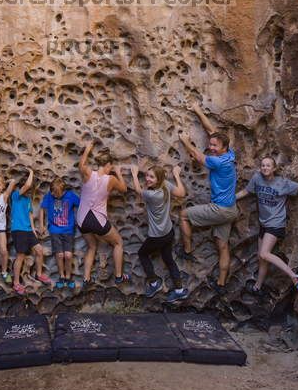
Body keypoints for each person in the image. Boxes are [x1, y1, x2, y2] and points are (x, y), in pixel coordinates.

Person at [236, 156, 298, 292]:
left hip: (276, 224)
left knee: (264, 253)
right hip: (263, 224)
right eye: (263, 165)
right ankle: (258, 286)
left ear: (274, 168)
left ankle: (295, 277)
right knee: (261, 257)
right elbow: (247, 191)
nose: (265, 168)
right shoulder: (257, 178)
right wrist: (232, 198)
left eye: (268, 165)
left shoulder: (282, 183)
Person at [178, 102, 238, 294]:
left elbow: (197, 155)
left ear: (223, 148)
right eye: (210, 145)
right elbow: (212, 131)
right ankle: (221, 284)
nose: (211, 147)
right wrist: (197, 110)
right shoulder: (230, 154)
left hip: (219, 209)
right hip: (231, 210)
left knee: (184, 215)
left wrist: (185, 140)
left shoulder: (217, 162)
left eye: (214, 146)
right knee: (222, 246)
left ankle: (187, 251)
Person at [129, 163, 189, 302]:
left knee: (142, 253)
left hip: (156, 236)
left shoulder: (152, 194)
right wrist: (176, 176)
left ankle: (154, 283)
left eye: (151, 177)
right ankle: (179, 290)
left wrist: (134, 175)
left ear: (159, 179)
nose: (148, 179)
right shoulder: (166, 185)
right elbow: (181, 193)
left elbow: (138, 190)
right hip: (168, 232)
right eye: (147, 176)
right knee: (168, 259)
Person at [76, 141, 130, 287]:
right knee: (118, 242)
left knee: (92, 246)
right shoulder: (111, 179)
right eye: (111, 166)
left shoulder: (88, 173)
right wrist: (118, 173)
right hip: (97, 220)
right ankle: (118, 276)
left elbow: (81, 165)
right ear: (107, 165)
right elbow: (124, 189)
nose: (111, 169)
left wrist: (87, 149)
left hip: (81, 220)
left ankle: (86, 279)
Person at [10, 168, 52, 295]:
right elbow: (28, 184)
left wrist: (33, 229)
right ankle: (16, 283)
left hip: (28, 230)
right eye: (28, 187)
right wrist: (31, 172)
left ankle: (39, 274)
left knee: (39, 251)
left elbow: (29, 215)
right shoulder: (15, 196)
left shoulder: (28, 200)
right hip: (18, 230)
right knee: (21, 256)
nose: (29, 189)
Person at [38, 177, 80, 289]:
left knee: (68, 255)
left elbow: (82, 204)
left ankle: (68, 277)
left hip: (68, 230)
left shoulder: (70, 196)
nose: (54, 196)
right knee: (60, 255)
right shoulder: (50, 196)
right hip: (55, 230)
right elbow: (42, 208)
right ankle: (61, 276)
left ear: (63, 191)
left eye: (57, 194)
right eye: (53, 193)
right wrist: (41, 225)